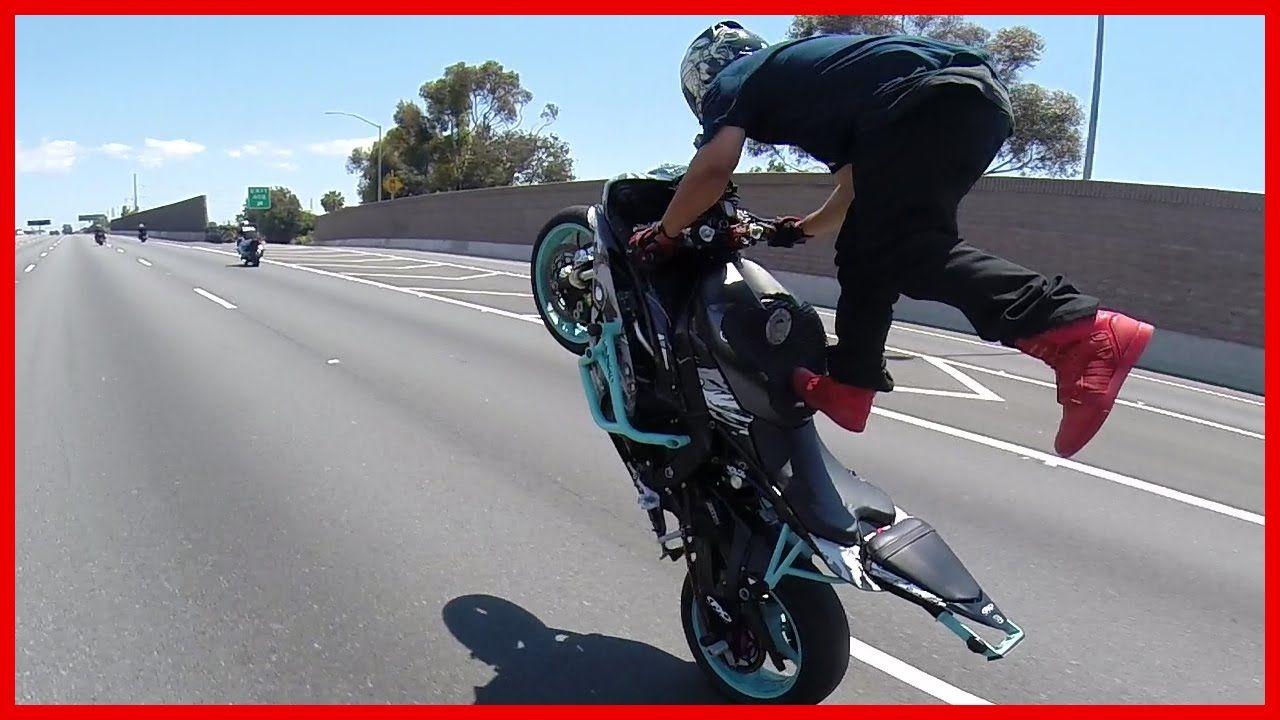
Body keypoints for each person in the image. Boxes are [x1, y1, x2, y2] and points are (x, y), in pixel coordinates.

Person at [628, 21, 1154, 458]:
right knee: (867, 250)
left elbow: (712, 170)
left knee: (902, 246)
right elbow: (853, 188)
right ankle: (851, 385)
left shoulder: (734, 78)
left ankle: (1080, 329)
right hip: (970, 105)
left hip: (927, 103)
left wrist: (665, 233)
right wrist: (803, 228)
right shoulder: (813, 85)